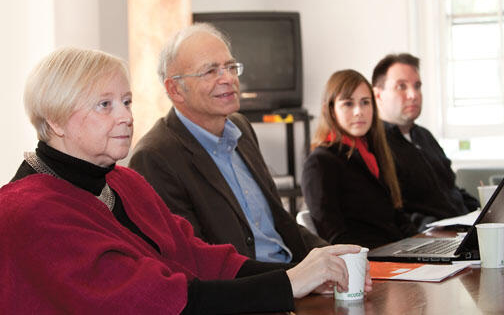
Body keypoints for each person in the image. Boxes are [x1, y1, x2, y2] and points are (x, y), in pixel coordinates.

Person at [0, 47, 372, 314]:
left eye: (127, 102)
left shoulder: (125, 183)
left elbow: (200, 258)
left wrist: (309, 272)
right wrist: (290, 284)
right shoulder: (26, 211)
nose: (126, 117)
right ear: (55, 121)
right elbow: (151, 300)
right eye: (105, 105)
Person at [129, 23, 327, 263]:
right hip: (249, 291)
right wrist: (292, 280)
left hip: (293, 276)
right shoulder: (155, 157)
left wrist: (334, 255)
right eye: (211, 71)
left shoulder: (240, 127)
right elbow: (196, 262)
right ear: (175, 89)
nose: (229, 79)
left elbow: (281, 222)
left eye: (231, 67)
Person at [301, 69, 417, 249]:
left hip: (396, 253)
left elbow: (397, 218)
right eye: (348, 104)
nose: (359, 112)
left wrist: (420, 244)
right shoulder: (320, 163)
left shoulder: (374, 152)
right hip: (367, 263)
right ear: (330, 110)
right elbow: (334, 238)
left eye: (365, 102)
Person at [372, 53, 479, 231]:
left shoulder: (424, 136)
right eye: (401, 86)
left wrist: (481, 212)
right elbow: (393, 213)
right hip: (429, 238)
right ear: (378, 95)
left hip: (463, 231)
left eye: (417, 86)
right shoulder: (375, 144)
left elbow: (451, 189)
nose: (413, 95)